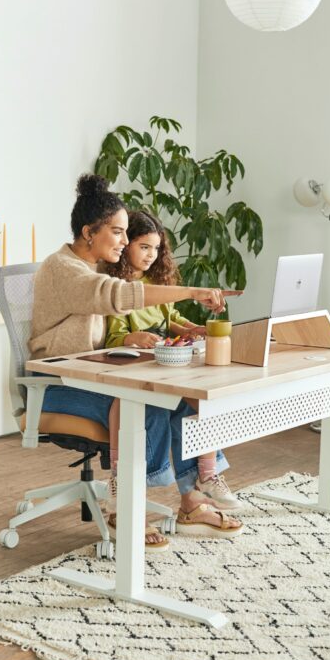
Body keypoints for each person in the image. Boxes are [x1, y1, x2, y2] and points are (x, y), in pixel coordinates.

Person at [29, 174, 243, 550]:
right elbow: (119, 296)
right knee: (143, 401)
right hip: (57, 384)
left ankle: (192, 501)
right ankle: (121, 507)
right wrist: (194, 291)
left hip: (93, 372)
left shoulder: (95, 266)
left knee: (178, 398)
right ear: (88, 232)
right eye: (117, 232)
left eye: (127, 233)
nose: (126, 242)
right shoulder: (64, 269)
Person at [104, 210, 242, 514]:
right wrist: (132, 337)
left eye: (156, 248)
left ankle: (207, 475)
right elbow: (112, 338)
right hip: (134, 366)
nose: (151, 255)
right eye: (144, 247)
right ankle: (122, 478)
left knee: (201, 399)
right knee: (155, 402)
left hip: (164, 361)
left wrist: (193, 330)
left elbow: (171, 319)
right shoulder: (116, 287)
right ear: (126, 244)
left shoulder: (157, 283)